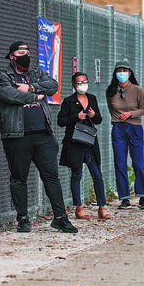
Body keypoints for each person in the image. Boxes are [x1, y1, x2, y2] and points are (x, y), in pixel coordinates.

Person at [0, 41, 78, 233]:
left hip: (43, 135)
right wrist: (35, 96)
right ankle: (22, 219)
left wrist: (29, 88)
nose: (25, 55)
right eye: (21, 52)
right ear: (12, 56)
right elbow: (8, 95)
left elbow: (52, 85)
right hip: (16, 135)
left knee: (51, 176)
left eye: (27, 52)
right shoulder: (1, 76)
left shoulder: (36, 73)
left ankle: (60, 218)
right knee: (18, 177)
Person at [57, 72, 110, 220]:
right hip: (75, 142)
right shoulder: (69, 101)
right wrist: (76, 117)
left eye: (85, 81)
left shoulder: (92, 98)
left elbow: (99, 119)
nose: (82, 85)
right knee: (77, 174)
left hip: (90, 142)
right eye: (79, 82)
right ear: (74, 84)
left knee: (97, 175)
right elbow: (61, 121)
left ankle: (102, 207)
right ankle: (79, 207)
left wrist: (93, 116)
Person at [105, 61, 144, 209]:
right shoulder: (111, 91)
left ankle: (142, 196)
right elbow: (112, 110)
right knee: (120, 163)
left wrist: (130, 114)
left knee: (138, 163)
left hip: (135, 127)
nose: (122, 73)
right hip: (118, 128)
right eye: (119, 71)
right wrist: (118, 119)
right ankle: (124, 197)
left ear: (129, 73)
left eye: (124, 70)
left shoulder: (137, 90)